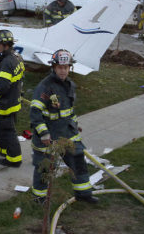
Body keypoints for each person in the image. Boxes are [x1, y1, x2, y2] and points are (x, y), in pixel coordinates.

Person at [29, 49, 99, 204]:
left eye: (66, 67)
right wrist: (44, 134)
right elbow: (35, 113)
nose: (63, 71)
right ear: (54, 67)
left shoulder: (70, 85)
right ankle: (39, 198)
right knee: (44, 168)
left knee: (78, 161)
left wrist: (74, 124)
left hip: (67, 133)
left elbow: (69, 110)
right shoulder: (45, 87)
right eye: (60, 67)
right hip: (48, 137)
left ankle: (83, 193)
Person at [0, 30, 24, 167]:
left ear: (4, 45)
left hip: (6, 102)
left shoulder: (7, 62)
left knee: (8, 130)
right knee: (2, 128)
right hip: (15, 99)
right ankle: (2, 149)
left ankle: (14, 159)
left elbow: (3, 85)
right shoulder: (17, 56)